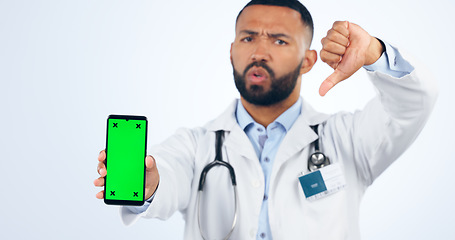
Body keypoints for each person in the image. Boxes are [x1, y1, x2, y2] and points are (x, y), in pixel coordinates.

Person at [94, 0, 438, 239]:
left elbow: (415, 101)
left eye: (279, 39)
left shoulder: (348, 140)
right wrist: (148, 182)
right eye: (248, 37)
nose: (259, 51)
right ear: (232, 51)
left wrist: (374, 54)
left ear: (308, 60)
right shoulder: (196, 145)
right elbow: (167, 175)